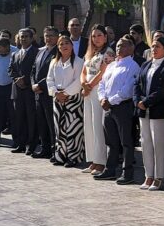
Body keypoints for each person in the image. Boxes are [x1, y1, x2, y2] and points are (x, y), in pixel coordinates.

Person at [96, 36, 141, 183]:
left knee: (126, 142)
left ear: (131, 48)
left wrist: (111, 101)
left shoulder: (133, 66)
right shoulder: (111, 66)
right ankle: (110, 170)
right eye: (118, 46)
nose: (118, 48)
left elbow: (127, 90)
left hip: (123, 108)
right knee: (111, 141)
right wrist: (102, 98)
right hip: (108, 108)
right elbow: (102, 84)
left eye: (122, 46)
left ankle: (127, 173)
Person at [135, 34, 164, 190]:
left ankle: (159, 177)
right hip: (144, 111)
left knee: (158, 144)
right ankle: (148, 176)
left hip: (159, 110)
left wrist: (146, 101)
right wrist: (137, 100)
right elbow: (137, 84)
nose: (154, 49)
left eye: (158, 46)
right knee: (145, 143)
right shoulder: (146, 64)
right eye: (152, 46)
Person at [48, 35, 86, 167]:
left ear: (71, 46)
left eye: (66, 43)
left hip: (73, 98)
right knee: (59, 128)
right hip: (57, 98)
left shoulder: (79, 61)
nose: (64, 46)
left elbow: (78, 81)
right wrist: (56, 93)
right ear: (58, 47)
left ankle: (74, 157)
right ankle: (60, 155)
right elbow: (49, 79)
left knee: (73, 129)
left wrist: (66, 93)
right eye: (61, 44)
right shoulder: (54, 62)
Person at [80, 25, 112, 175]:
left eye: (99, 35)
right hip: (88, 93)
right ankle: (93, 160)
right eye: (93, 36)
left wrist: (90, 86)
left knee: (99, 127)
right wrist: (83, 84)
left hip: (99, 92)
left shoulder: (108, 52)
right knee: (89, 126)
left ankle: (101, 162)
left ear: (105, 37)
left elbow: (103, 71)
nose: (96, 38)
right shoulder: (90, 53)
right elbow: (84, 71)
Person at [9, 28, 39, 154]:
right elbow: (10, 70)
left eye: (26, 36)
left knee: (31, 119)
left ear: (32, 38)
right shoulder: (15, 54)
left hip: (29, 91)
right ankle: (20, 144)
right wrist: (17, 79)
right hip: (17, 90)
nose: (24, 39)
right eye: (22, 37)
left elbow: (36, 70)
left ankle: (31, 145)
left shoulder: (37, 52)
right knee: (19, 118)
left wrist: (25, 80)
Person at [31, 26, 59, 158]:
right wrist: (33, 84)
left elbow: (54, 73)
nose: (48, 38)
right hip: (38, 93)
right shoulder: (40, 51)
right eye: (46, 35)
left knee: (51, 123)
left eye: (51, 35)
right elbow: (33, 69)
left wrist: (40, 85)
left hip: (49, 93)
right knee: (41, 122)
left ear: (57, 37)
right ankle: (45, 148)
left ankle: (54, 150)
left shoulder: (59, 52)